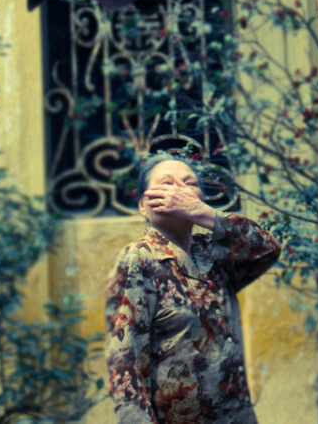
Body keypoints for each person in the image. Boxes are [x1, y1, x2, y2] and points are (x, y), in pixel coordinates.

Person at [105, 153, 281, 423]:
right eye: (166, 183)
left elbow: (267, 249)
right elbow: (125, 365)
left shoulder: (213, 252)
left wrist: (205, 214)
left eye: (189, 184)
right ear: (143, 205)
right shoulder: (139, 259)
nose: (179, 190)